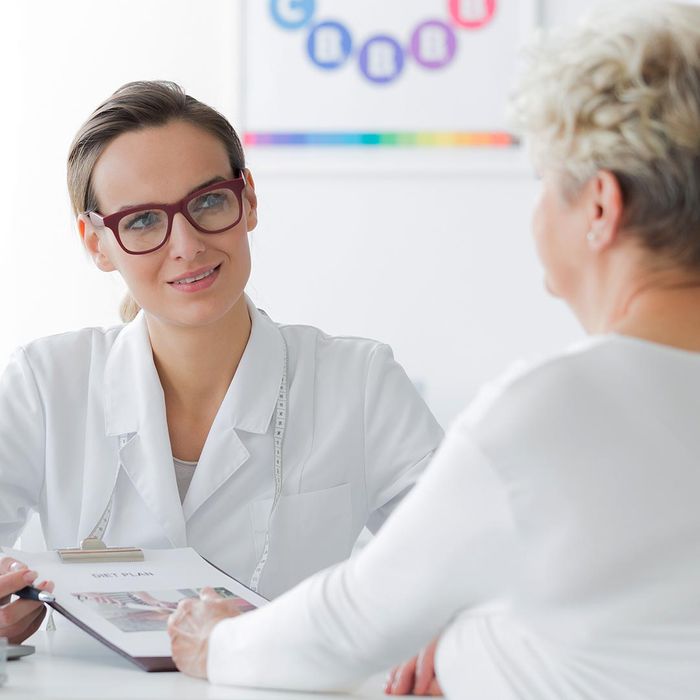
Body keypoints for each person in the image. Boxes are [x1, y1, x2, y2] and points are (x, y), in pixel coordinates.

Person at [168, 3, 700, 697]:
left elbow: (352, 623)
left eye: (545, 184)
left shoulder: (555, 409)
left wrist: (214, 640)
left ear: (599, 207)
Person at [0, 82, 443, 641]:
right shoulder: (45, 383)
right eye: (141, 221)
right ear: (96, 243)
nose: (186, 244)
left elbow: (464, 558)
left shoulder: (358, 382)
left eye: (208, 202)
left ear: (248, 200)